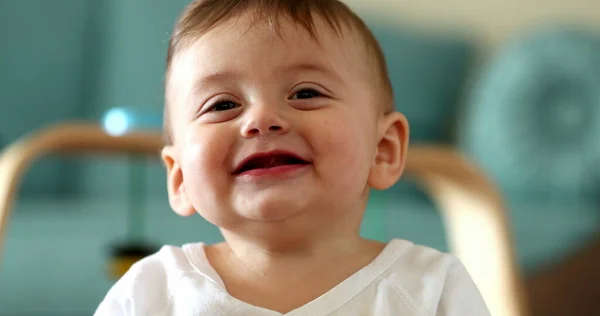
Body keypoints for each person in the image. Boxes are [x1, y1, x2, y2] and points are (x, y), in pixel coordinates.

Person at [95, 0, 490, 314]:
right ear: (179, 176)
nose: (262, 119)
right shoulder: (150, 294)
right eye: (223, 104)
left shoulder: (431, 289)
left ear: (383, 149)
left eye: (305, 93)